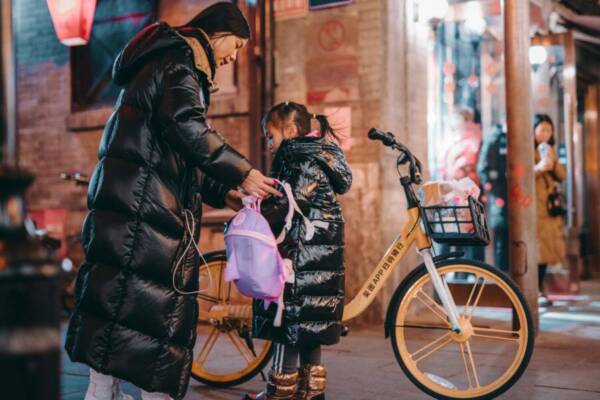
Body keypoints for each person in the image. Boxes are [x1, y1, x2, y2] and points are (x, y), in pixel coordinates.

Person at [64, 3, 281, 400]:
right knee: (155, 309)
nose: (233, 56)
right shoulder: (180, 63)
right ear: (217, 34)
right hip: (147, 208)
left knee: (118, 302)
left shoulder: (165, 60)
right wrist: (242, 171)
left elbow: (175, 151)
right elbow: (186, 128)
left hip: (132, 202)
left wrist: (222, 191)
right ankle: (143, 394)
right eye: (234, 45)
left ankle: (102, 390)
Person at [247, 102, 352, 400]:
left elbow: (290, 204)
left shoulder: (297, 157)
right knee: (311, 324)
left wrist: (255, 214)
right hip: (319, 256)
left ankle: (278, 392)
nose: (268, 144)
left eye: (270, 136)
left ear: (290, 130)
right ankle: (311, 391)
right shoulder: (320, 156)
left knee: (288, 322)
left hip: (299, 256)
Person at [533, 114, 566, 304]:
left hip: (549, 207)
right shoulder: (527, 149)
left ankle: (541, 289)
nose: (545, 133)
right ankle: (535, 290)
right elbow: (520, 176)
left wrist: (552, 163)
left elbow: (562, 175)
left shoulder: (550, 150)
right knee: (537, 251)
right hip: (534, 206)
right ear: (533, 130)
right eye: (542, 129)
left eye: (548, 130)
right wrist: (539, 167)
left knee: (545, 252)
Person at [477, 124, 509, 272]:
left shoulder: (503, 138)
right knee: (502, 237)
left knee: (506, 238)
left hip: (509, 197)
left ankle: (505, 275)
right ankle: (502, 275)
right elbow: (484, 170)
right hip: (500, 198)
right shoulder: (495, 139)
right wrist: (495, 194)